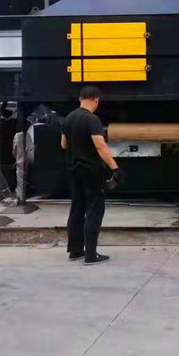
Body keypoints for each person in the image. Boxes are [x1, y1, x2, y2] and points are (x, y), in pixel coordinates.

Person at [61, 85, 123, 265]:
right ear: (96, 100)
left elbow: (64, 145)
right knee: (94, 210)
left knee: (77, 208)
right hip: (90, 170)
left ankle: (75, 251)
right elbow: (100, 145)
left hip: (73, 170)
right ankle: (91, 255)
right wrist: (115, 168)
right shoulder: (92, 119)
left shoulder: (68, 118)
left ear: (80, 99)